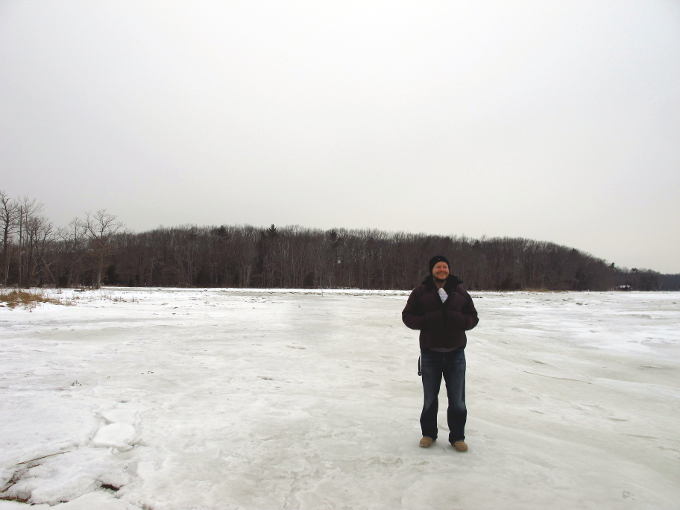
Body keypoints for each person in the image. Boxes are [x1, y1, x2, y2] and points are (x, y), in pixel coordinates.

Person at [402, 255, 479, 451]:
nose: (442, 270)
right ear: (432, 270)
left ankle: (457, 437)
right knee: (429, 399)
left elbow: (473, 317)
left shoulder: (460, 292)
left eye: (445, 267)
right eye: (438, 267)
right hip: (430, 355)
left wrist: (462, 322)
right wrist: (426, 322)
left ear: (449, 270)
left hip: (456, 355)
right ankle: (428, 434)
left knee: (458, 401)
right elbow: (407, 316)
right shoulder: (420, 292)